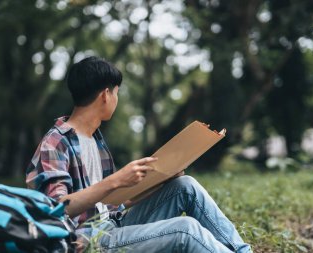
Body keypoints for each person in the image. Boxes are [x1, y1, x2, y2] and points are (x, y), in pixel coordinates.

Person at [26, 56, 252, 253]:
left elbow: (112, 205)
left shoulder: (95, 140)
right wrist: (115, 180)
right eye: (116, 92)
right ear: (106, 95)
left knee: (185, 186)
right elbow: (55, 208)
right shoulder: (55, 143)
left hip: (113, 225)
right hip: (87, 242)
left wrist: (162, 179)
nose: (116, 98)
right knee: (185, 230)